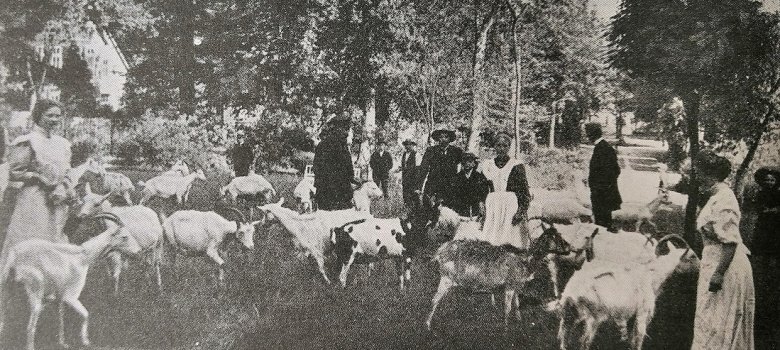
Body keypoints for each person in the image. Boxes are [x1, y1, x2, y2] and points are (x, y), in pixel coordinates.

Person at [0, 100, 75, 268]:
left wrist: (63, 186)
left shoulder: (62, 143)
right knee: (33, 236)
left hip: (58, 201)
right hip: (34, 198)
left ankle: (48, 281)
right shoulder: (28, 141)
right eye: (50, 115)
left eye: (58, 116)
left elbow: (67, 170)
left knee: (54, 237)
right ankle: (21, 279)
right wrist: (40, 178)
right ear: (38, 116)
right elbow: (16, 172)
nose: (55, 119)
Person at [691, 151, 754, 350]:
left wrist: (718, 273)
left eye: (697, 172)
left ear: (709, 174)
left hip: (725, 265)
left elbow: (730, 241)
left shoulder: (725, 200)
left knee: (717, 320)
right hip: (714, 261)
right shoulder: (716, 196)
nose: (695, 176)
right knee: (708, 318)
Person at [477, 133, 531, 249]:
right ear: (494, 147)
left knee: (509, 238)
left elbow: (524, 191)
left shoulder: (516, 165)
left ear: (509, 147)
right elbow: (481, 188)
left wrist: (521, 211)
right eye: (498, 145)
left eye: (505, 146)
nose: (501, 148)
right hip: (493, 205)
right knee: (491, 239)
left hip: (510, 204)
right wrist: (481, 203)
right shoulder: (488, 164)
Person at [750, 166, 780, 349]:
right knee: (761, 249)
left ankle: (772, 265)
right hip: (765, 227)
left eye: (772, 180)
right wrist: (771, 211)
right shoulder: (761, 194)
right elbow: (760, 209)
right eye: (766, 180)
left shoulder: (778, 193)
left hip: (776, 228)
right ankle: (763, 266)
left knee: (774, 249)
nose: (769, 182)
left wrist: (773, 211)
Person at [585, 123, 621, 229]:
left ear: (591, 135)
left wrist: (598, 187)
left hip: (601, 194)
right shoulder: (605, 147)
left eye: (587, 134)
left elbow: (612, 171)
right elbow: (617, 170)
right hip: (605, 193)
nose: (587, 137)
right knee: (605, 222)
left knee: (601, 224)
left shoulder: (602, 149)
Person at [313, 115, 354, 211]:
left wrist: (353, 179)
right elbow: (318, 169)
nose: (347, 133)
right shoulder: (325, 146)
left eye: (347, 129)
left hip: (338, 194)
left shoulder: (343, 146)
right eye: (345, 129)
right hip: (331, 194)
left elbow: (349, 169)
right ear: (336, 129)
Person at [416, 129, 463, 205]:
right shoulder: (431, 151)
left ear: (450, 139)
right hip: (433, 185)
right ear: (437, 139)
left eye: (446, 137)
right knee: (429, 209)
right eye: (441, 137)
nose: (443, 139)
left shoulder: (456, 151)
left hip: (450, 186)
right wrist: (419, 186)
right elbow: (423, 169)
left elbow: (466, 165)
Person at [448, 152, 489, 218]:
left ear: (474, 164)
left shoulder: (480, 177)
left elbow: (484, 193)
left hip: (475, 213)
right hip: (459, 213)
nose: (467, 163)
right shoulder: (456, 178)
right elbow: (452, 195)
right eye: (464, 161)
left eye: (469, 161)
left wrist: (481, 203)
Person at [400, 139, 419, 209]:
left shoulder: (416, 154)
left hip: (413, 179)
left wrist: (416, 180)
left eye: (409, 145)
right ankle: (407, 210)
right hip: (405, 178)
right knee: (405, 195)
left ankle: (417, 211)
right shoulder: (404, 154)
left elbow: (418, 168)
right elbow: (403, 166)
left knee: (414, 195)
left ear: (412, 145)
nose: (408, 146)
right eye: (406, 145)